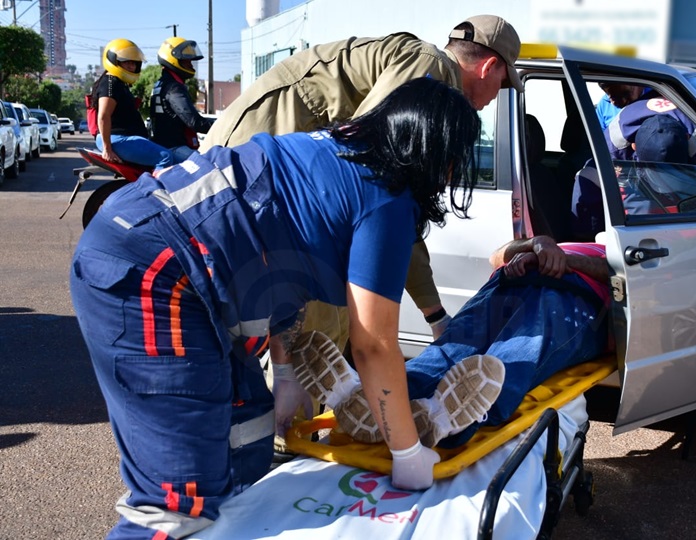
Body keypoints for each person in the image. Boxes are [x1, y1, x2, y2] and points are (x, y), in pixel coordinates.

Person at [69, 78, 484, 538]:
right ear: (432, 148)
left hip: (165, 255)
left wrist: (284, 372)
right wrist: (407, 453)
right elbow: (374, 345)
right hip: (153, 272)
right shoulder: (386, 196)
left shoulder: (326, 148)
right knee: (177, 503)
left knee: (248, 432)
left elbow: (277, 252)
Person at [202, 14, 524, 374]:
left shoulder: (429, 76)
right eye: (503, 83)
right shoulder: (430, 68)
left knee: (318, 332)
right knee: (316, 335)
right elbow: (377, 179)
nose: (498, 95)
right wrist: (433, 314)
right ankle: (288, 425)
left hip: (258, 173)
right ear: (489, 66)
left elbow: (394, 197)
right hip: (260, 170)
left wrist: (433, 312)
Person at [290, 235, 611, 448]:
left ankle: (453, 419)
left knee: (511, 356)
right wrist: (536, 246)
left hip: (574, 297)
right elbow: (496, 256)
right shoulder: (557, 240)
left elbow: (620, 276)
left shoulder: (615, 254)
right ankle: (366, 399)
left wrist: (567, 262)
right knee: (448, 349)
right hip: (508, 283)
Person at [89, 38, 177, 169]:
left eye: (134, 63)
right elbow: (103, 116)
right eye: (126, 62)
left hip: (121, 139)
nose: (132, 66)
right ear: (114, 60)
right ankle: (156, 189)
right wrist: (107, 149)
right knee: (165, 156)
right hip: (117, 139)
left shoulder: (118, 83)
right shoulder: (111, 83)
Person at [150, 37, 215, 161]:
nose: (191, 65)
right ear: (174, 60)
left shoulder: (161, 83)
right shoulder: (173, 87)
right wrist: (223, 124)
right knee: (209, 168)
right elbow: (194, 122)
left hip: (160, 144)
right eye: (186, 61)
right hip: (173, 147)